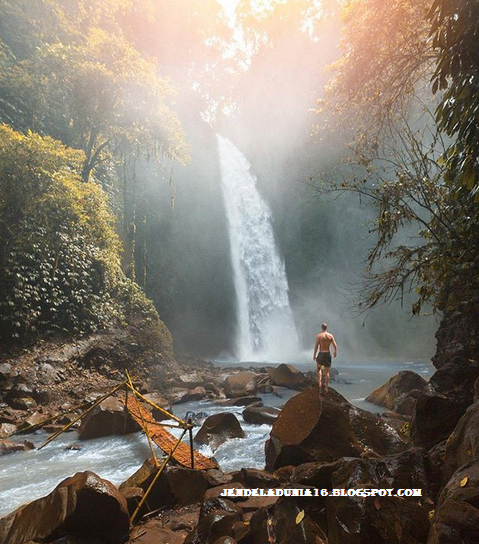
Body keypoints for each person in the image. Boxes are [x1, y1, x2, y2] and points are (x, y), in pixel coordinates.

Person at [312, 323, 338, 393]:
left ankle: (320, 383)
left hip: (321, 353)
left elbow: (316, 346)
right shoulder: (330, 336)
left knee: (319, 369)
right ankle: (326, 387)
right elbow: (335, 345)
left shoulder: (319, 336)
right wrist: (335, 352)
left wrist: (314, 355)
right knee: (327, 372)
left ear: (322, 328)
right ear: (327, 327)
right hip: (327, 354)